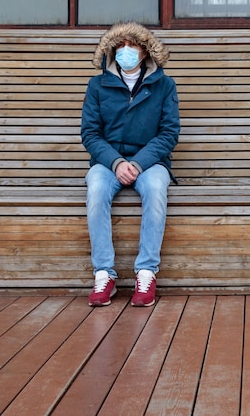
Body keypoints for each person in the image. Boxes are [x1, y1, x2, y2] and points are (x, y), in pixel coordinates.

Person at [81, 22, 180, 307]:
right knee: (96, 190)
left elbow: (169, 132)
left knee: (156, 191)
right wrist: (115, 162)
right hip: (108, 162)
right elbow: (90, 133)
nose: (126, 51)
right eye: (120, 46)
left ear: (145, 51)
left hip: (150, 162)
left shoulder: (164, 85)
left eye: (132, 45)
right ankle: (104, 274)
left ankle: (147, 271)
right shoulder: (98, 85)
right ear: (112, 51)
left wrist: (137, 163)